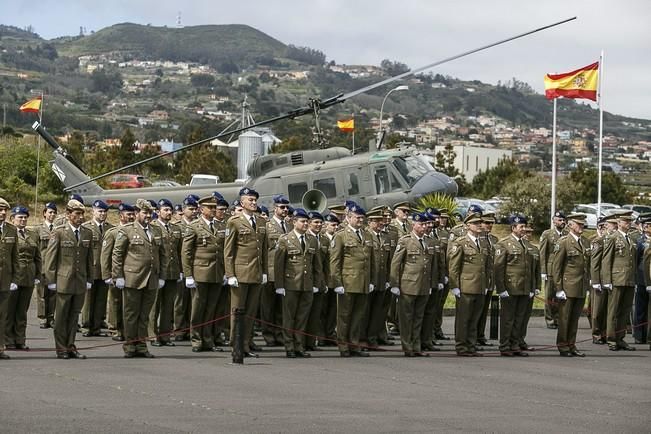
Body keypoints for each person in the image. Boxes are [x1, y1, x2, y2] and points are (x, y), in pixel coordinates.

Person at [112, 199, 167, 358]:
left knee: (144, 315)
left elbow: (162, 255)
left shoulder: (156, 230)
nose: (148, 216)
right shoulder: (128, 230)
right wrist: (118, 276)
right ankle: (130, 346)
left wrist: (162, 275)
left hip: (151, 279)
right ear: (136, 213)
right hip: (133, 278)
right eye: (145, 213)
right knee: (131, 315)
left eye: (150, 213)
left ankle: (142, 346)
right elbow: (117, 254)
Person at [44, 199, 93, 359]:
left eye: (82, 214)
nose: (80, 217)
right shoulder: (58, 232)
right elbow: (51, 258)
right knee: (61, 317)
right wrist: (51, 280)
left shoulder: (87, 233)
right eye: (77, 214)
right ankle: (61, 348)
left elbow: (89, 259)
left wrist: (89, 279)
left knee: (74, 316)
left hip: (79, 281)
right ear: (68, 214)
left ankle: (71, 345)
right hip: (63, 281)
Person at [224, 187, 267, 358]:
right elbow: (228, 251)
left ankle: (246, 344)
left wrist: (264, 272)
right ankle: (236, 345)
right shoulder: (234, 221)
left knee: (250, 312)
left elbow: (262, 249)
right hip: (240, 273)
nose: (254, 202)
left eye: (255, 200)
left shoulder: (261, 221)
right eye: (250, 200)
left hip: (256, 273)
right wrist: (230, 275)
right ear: (242, 203)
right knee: (237, 311)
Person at [389, 212, 440, 357]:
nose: (424, 227)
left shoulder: (429, 241)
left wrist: (431, 284)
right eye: (421, 224)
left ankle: (416, 346)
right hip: (408, 285)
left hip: (423, 285)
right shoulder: (405, 241)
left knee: (418, 318)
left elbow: (430, 265)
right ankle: (407, 347)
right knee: (406, 319)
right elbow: (396, 263)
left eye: (425, 224)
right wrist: (395, 284)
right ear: (413, 225)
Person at [181, 196, 225, 352]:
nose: (213, 210)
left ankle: (208, 339)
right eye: (210, 207)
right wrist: (188, 275)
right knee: (198, 309)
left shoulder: (220, 226)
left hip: (216, 273)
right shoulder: (194, 226)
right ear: (201, 209)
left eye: (214, 207)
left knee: (211, 309)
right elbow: (186, 252)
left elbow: (223, 251)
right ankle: (196, 339)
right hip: (200, 272)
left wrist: (225, 272)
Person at [330, 202, 374, 357]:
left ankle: (354, 345)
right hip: (347, 282)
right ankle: (343, 346)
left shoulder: (367, 235)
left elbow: (371, 261)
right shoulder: (341, 236)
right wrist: (337, 283)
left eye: (362, 218)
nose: (360, 220)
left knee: (358, 316)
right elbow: (335, 261)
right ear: (348, 218)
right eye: (357, 217)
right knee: (344, 316)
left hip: (362, 282)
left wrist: (371, 281)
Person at [274, 208, 319, 358]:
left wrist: (316, 283)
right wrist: (279, 285)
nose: (306, 224)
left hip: (307, 284)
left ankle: (299, 345)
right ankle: (289, 347)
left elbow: (316, 265)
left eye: (307, 221)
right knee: (289, 317)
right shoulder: (285, 239)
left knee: (302, 317)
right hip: (290, 284)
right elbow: (278, 264)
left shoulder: (312, 240)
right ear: (294, 222)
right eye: (303, 221)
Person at [447, 212, 490, 356]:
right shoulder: (460, 243)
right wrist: (455, 286)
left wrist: (487, 284)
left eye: (480, 223)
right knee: (464, 319)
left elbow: (486, 266)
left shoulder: (483, 242)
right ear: (467, 226)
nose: (479, 225)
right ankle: (461, 346)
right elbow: (454, 267)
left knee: (474, 319)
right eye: (475, 223)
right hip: (466, 287)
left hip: (479, 286)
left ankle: (471, 345)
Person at [494, 215, 534, 357]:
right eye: (521, 227)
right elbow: (498, 268)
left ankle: (515, 344)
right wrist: (501, 289)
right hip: (510, 288)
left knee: (519, 319)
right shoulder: (504, 244)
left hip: (523, 288)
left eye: (524, 226)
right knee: (508, 319)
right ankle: (505, 346)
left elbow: (529, 268)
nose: (524, 229)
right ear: (513, 228)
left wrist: (531, 287)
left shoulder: (525, 244)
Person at [552, 213, 590, 357]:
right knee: (564, 318)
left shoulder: (585, 242)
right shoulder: (564, 242)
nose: (581, 227)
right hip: (567, 286)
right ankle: (563, 346)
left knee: (574, 319)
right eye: (578, 224)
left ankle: (572, 345)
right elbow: (557, 267)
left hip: (580, 286)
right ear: (570, 225)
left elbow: (587, 265)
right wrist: (559, 288)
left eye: (583, 224)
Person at [6, 206, 41, 350]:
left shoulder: (32, 234)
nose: (23, 219)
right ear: (12, 219)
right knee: (9, 310)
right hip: (13, 276)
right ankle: (7, 340)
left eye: (25, 217)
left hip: (28, 276)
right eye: (20, 217)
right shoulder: (9, 234)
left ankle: (20, 339)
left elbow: (37, 256)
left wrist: (38, 274)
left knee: (22, 311)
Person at [601, 210, 637, 351]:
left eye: (629, 221)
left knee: (625, 310)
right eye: (625, 221)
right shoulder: (613, 238)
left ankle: (620, 338)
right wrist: (607, 279)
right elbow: (606, 260)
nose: (628, 224)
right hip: (616, 278)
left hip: (629, 279)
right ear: (619, 223)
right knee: (613, 311)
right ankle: (611, 339)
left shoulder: (631, 239)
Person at [149, 199, 183, 347]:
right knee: (154, 306)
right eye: (165, 210)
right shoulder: (152, 227)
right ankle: (152, 335)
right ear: (158, 212)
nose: (169, 213)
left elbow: (180, 251)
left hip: (172, 271)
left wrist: (181, 270)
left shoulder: (176, 228)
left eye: (170, 210)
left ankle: (165, 336)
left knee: (168, 306)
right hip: (157, 272)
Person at [101, 203, 135, 341]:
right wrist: (107, 275)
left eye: (133, 214)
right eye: (129, 214)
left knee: (127, 304)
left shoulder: (134, 231)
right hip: (116, 274)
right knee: (115, 302)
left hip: (130, 274)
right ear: (121, 216)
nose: (132, 217)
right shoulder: (112, 233)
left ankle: (125, 329)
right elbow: (106, 256)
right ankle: (114, 328)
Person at [261, 194, 291, 347]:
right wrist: (264, 271)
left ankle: (279, 334)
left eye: (286, 207)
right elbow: (263, 250)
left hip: (286, 272)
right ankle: (268, 335)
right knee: (268, 306)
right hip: (271, 270)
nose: (285, 210)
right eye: (282, 207)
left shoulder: (290, 225)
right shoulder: (267, 226)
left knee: (281, 307)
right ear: (275, 208)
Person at [81, 200, 113, 337]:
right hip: (90, 269)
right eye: (100, 211)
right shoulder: (86, 228)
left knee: (101, 299)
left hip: (104, 270)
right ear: (93, 211)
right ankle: (86, 326)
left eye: (105, 211)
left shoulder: (110, 229)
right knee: (88, 300)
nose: (103, 214)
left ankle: (96, 327)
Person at [364, 207, 393, 350]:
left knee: (378, 313)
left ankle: (372, 339)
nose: (381, 223)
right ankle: (362, 339)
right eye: (377, 221)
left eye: (381, 220)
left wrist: (388, 279)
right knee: (365, 312)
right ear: (369, 222)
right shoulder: (365, 236)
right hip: (369, 281)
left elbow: (388, 261)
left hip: (382, 281)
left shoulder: (385, 236)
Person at [173, 196, 198, 341]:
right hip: (181, 269)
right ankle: (179, 330)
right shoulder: (178, 227)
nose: (193, 212)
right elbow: (176, 251)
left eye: (195, 209)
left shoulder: (198, 225)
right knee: (180, 302)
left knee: (193, 302)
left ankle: (190, 329)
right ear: (183, 210)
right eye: (190, 209)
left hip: (196, 268)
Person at [0, 199, 20, 359]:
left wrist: (14, 278)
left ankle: (0, 348)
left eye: (5, 210)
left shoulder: (11, 230)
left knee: (2, 315)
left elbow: (15, 258)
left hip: (5, 280)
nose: (3, 213)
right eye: (0, 210)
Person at [304, 211, 327, 351]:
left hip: (319, 281)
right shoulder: (306, 238)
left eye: (320, 223)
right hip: (305, 280)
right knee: (304, 313)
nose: (318, 225)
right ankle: (301, 342)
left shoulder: (324, 239)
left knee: (315, 314)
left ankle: (311, 342)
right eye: (315, 222)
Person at [539, 211, 566, 329]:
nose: (562, 222)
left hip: (563, 270)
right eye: (559, 220)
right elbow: (543, 253)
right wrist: (543, 271)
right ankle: (550, 319)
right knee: (550, 296)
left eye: (563, 220)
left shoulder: (566, 235)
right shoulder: (547, 234)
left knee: (560, 295)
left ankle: (558, 318)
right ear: (554, 221)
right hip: (550, 270)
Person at [477, 212, 498, 346]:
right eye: (486, 223)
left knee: (484, 310)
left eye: (491, 223)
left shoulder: (494, 239)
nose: (489, 226)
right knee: (476, 311)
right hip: (478, 280)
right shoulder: (478, 240)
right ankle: (472, 337)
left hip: (490, 279)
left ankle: (480, 335)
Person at [319, 213, 340, 346]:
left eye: (337, 225)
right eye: (333, 225)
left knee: (333, 309)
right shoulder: (322, 239)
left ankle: (330, 333)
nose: (336, 227)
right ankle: (320, 336)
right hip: (324, 278)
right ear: (325, 226)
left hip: (336, 279)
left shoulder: (338, 238)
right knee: (322, 309)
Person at [36, 202, 57, 329]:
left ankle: (51, 316)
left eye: (54, 212)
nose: (52, 215)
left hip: (54, 266)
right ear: (44, 213)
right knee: (42, 294)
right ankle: (43, 318)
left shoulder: (59, 229)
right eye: (50, 212)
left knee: (53, 294)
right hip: (43, 265)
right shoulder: (39, 229)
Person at [633, 215, 651, 344]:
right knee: (641, 308)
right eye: (648, 225)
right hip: (641, 279)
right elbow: (636, 260)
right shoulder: (640, 242)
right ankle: (639, 336)